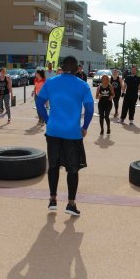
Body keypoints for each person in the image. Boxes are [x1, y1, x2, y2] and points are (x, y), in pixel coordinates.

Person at [36, 56, 94, 216]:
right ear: (76, 69)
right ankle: (71, 204)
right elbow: (89, 110)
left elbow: (39, 103)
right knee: (73, 169)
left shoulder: (51, 82)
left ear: (61, 67)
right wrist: (85, 127)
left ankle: (52, 200)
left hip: (53, 131)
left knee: (53, 165)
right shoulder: (82, 85)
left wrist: (48, 120)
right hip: (72, 134)